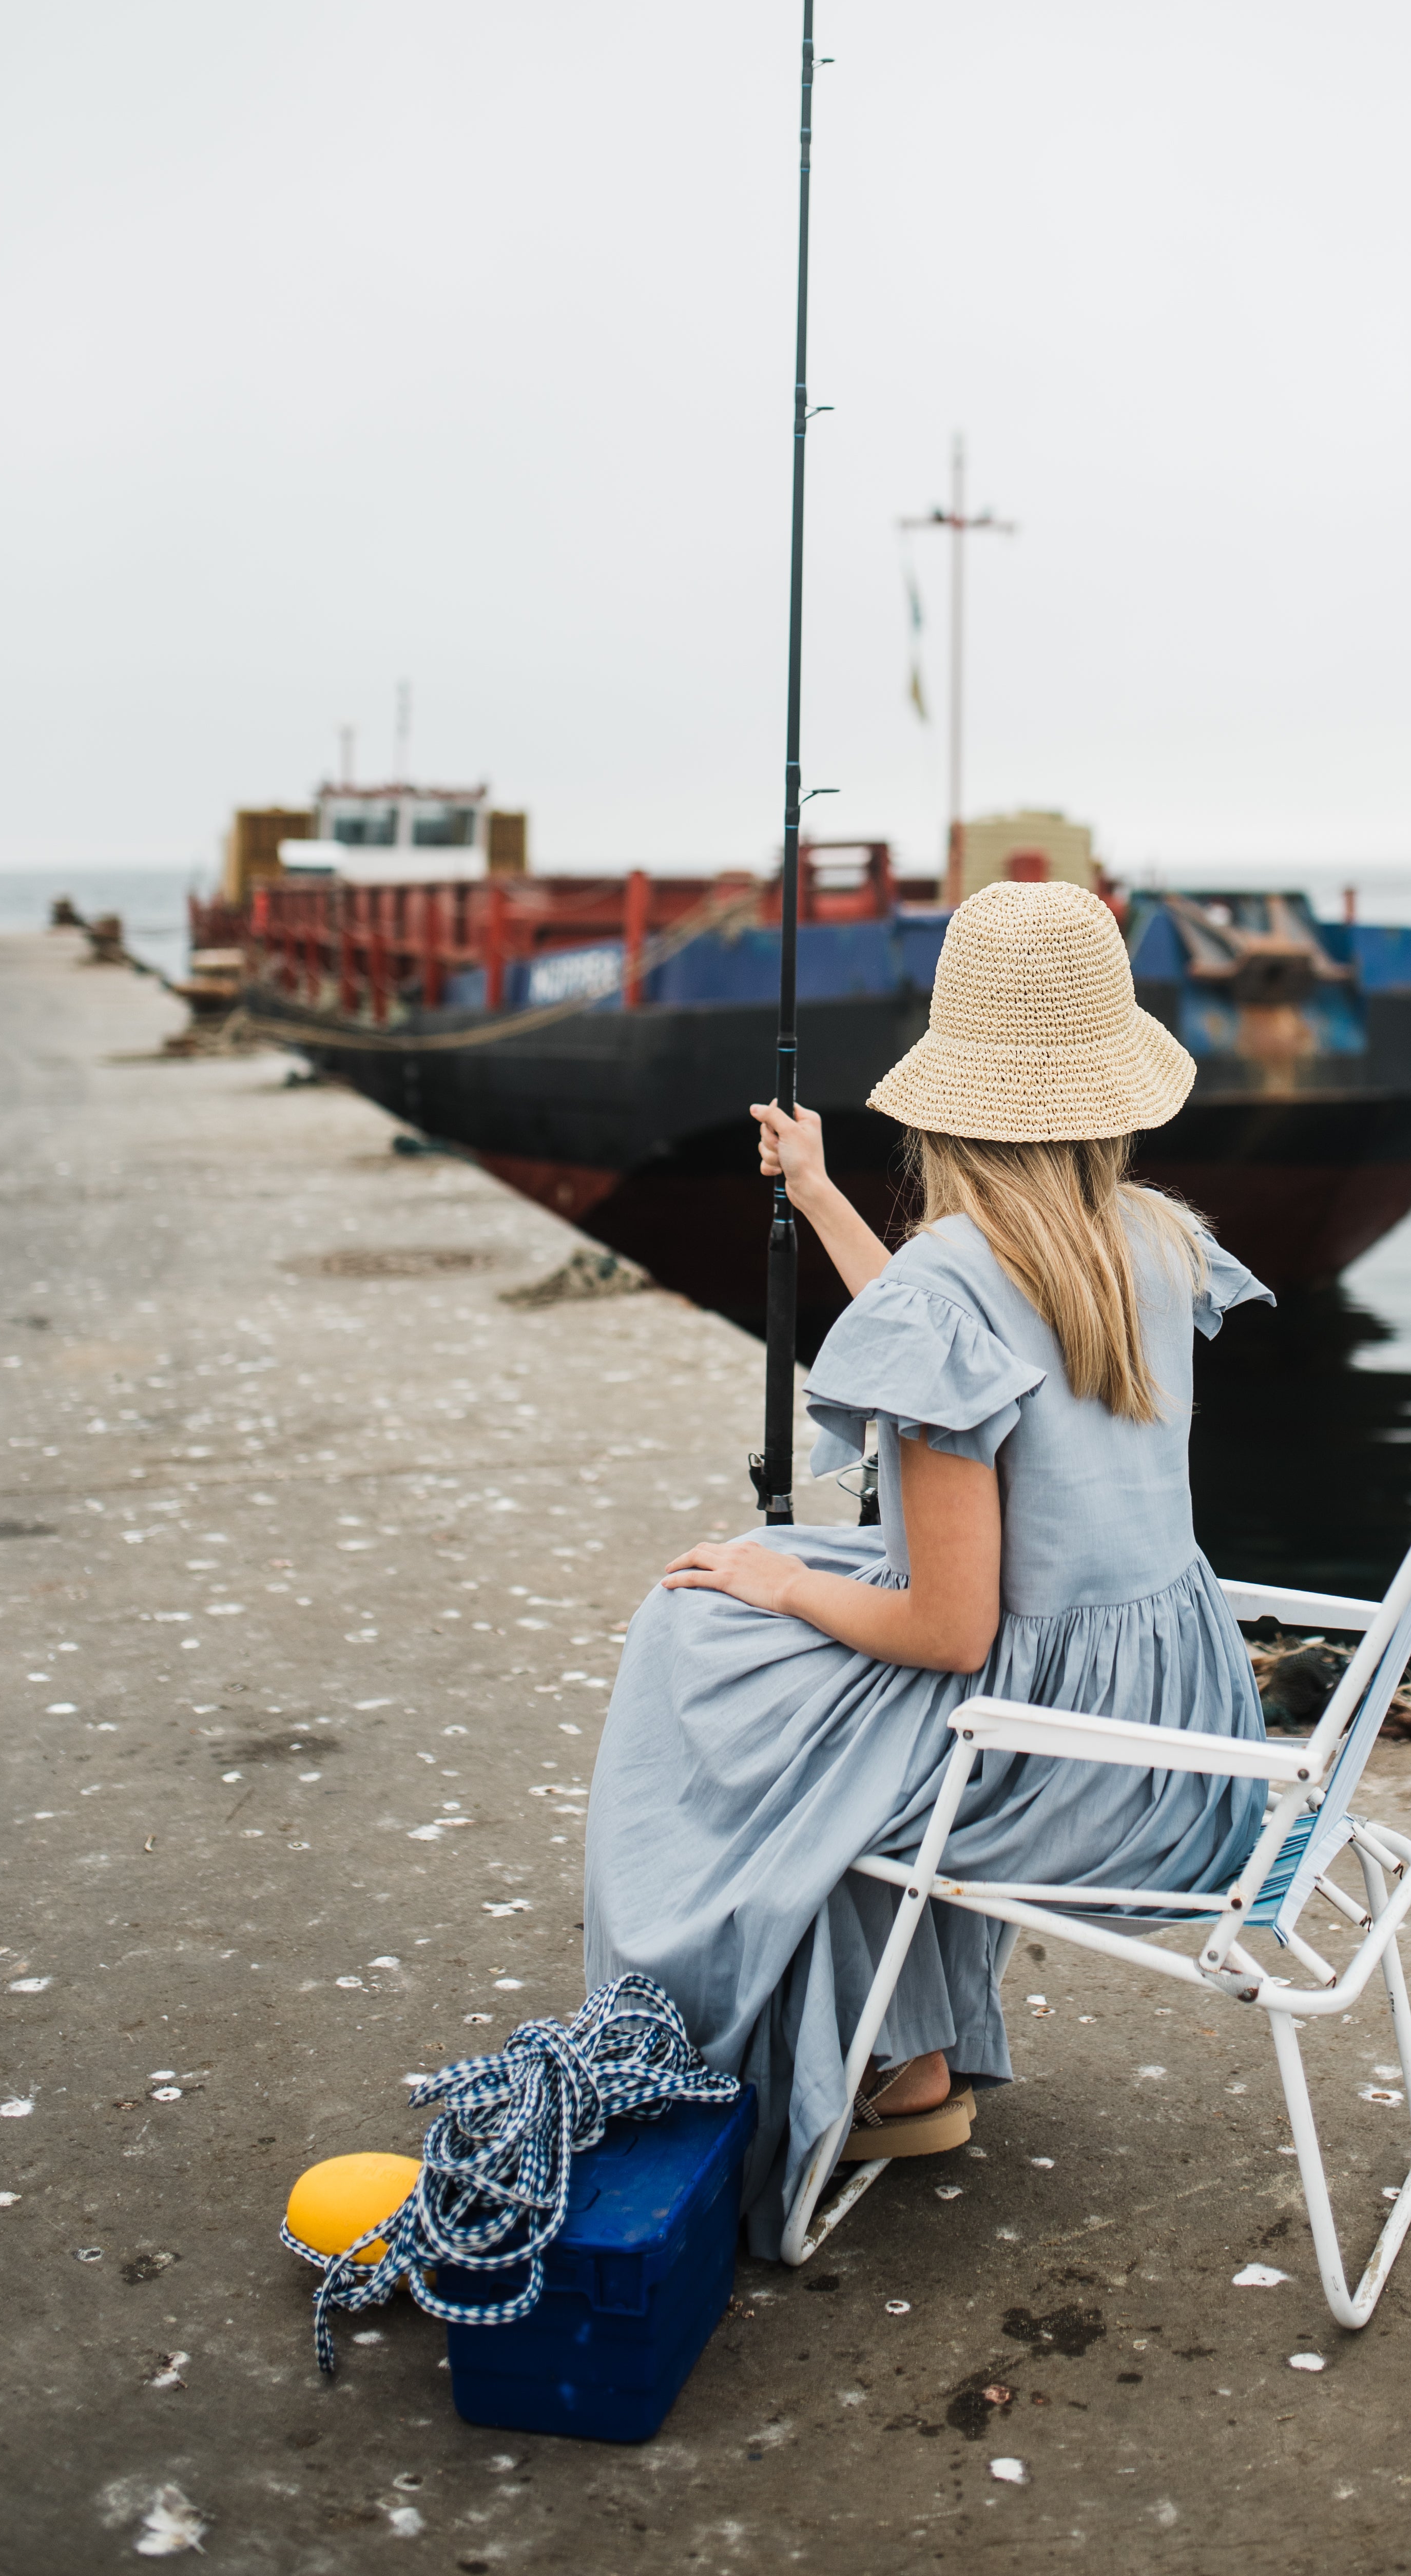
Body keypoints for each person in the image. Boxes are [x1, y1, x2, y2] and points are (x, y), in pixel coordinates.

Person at [583, 877, 1273, 2256]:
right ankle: (912, 2066)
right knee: (786, 1598)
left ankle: (763, 2039)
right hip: (1181, 1736)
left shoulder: (953, 1281)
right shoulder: (1158, 1240)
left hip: (1045, 1764)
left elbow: (951, 1630)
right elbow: (954, 1330)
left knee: (709, 1634)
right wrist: (827, 1200)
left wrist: (780, 1587)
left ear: (947, 1092)